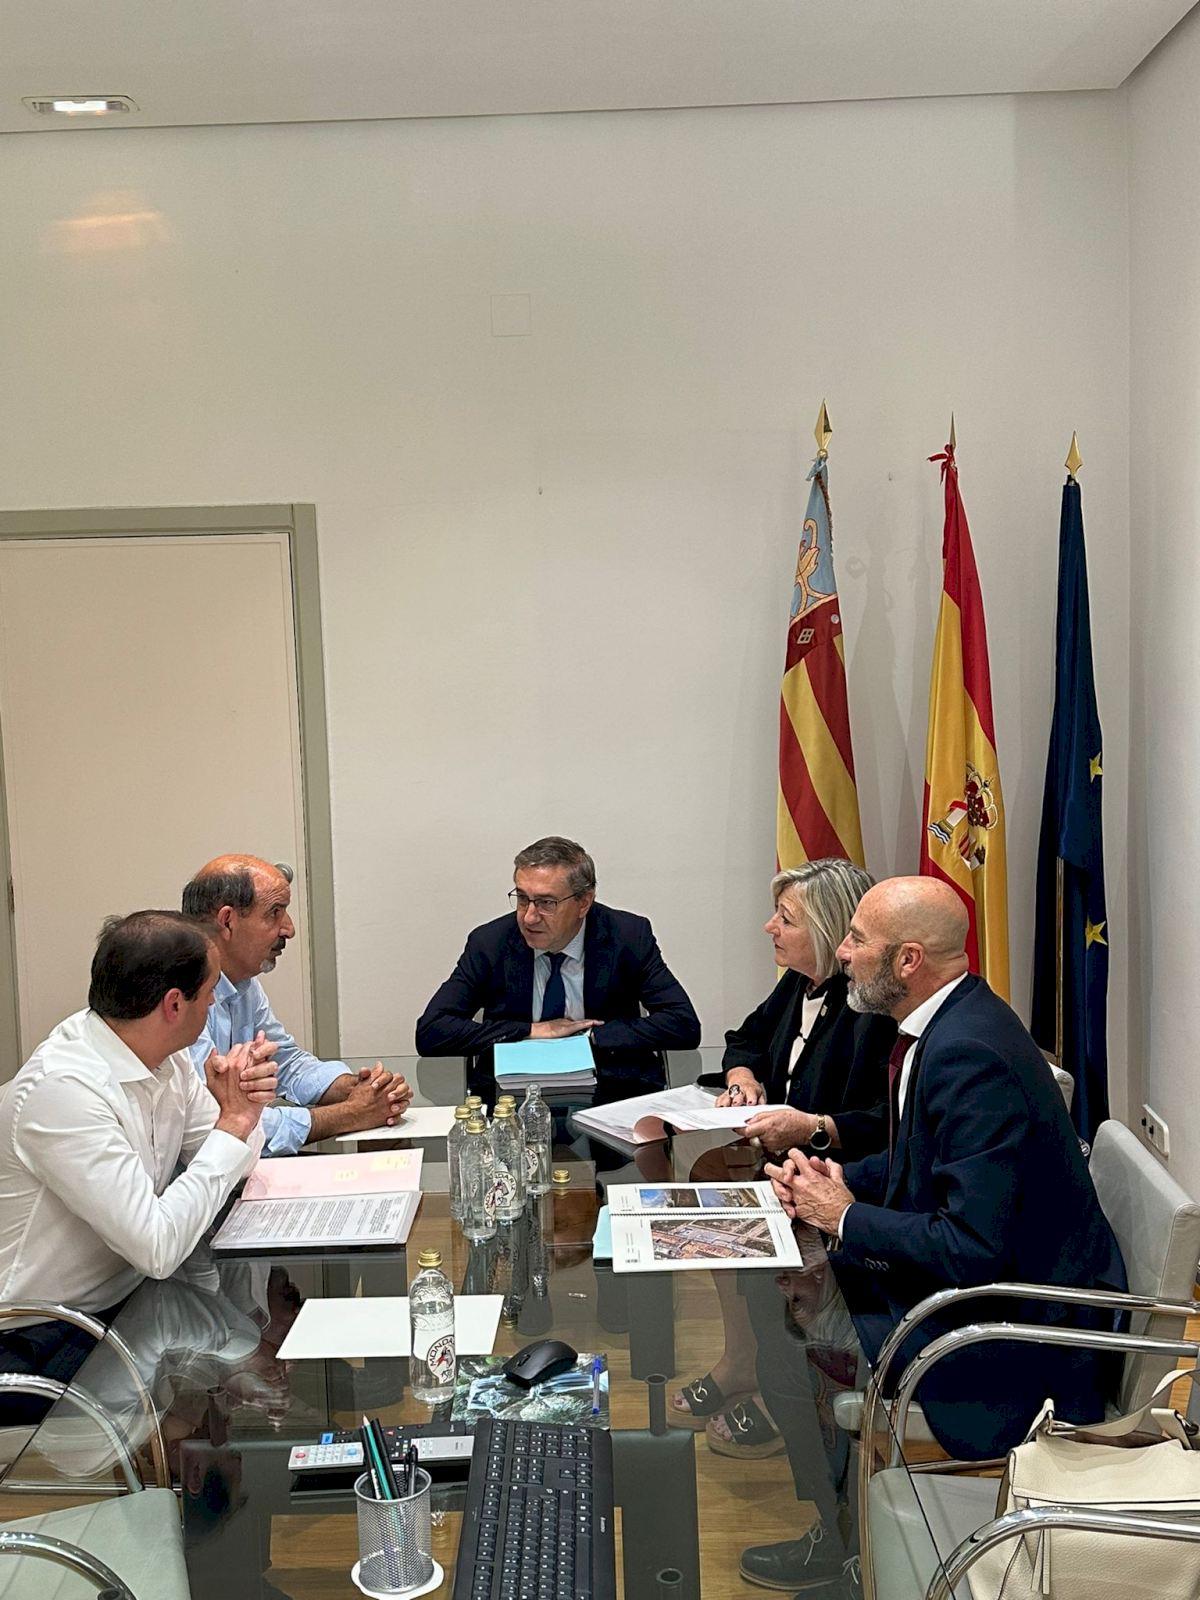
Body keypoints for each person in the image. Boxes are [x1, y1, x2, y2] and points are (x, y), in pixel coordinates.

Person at [749, 875, 1126, 1595]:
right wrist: (835, 1176)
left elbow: (972, 1248)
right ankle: (844, 1534)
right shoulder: (949, 1022)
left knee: (791, 1344)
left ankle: (843, 1552)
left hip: (1016, 1334)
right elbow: (923, 1162)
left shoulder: (968, 1052)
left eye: (857, 939)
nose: (844, 952)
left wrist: (842, 1215)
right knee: (783, 1307)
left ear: (908, 960)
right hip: (982, 1290)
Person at [0, 911, 277, 1411]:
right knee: (245, 1348)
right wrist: (233, 1123)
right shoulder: (63, 1091)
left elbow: (237, 1159)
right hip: (37, 1341)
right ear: (174, 1004)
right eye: (210, 991)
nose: (214, 1003)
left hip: (133, 1306)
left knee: (246, 1342)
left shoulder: (165, 1057)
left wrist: (241, 1110)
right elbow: (157, 1247)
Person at [668, 859, 895, 1461]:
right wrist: (743, 1077)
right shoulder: (799, 983)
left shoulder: (870, 1006)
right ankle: (742, 1358)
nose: (770, 927)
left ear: (826, 929)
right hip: (783, 1159)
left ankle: (786, 1388)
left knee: (737, 1210)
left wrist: (814, 1128)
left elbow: (888, 1119)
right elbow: (745, 1038)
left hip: (844, 1176)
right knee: (707, 1189)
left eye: (786, 918)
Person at [415, 836, 701, 1099]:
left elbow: (683, 1024)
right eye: (522, 898)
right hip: (510, 1096)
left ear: (583, 903)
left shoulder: (627, 937)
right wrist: (530, 1030)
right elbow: (431, 1031)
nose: (529, 917)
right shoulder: (490, 943)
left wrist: (589, 1037)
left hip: (610, 1090)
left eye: (546, 903)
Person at [183, 855, 412, 1152]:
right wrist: (349, 1114)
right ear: (227, 921)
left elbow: (286, 1063)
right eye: (275, 913)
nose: (289, 929)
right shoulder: (183, 996)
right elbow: (214, 1125)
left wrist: (359, 1088)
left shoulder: (244, 983)